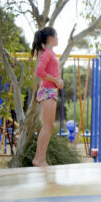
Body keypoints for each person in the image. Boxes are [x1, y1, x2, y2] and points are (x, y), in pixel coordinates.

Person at [31, 27, 64, 167]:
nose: (58, 38)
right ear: (50, 38)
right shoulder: (46, 53)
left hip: (51, 91)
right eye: (56, 36)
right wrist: (56, 81)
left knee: (49, 127)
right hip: (47, 91)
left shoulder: (50, 53)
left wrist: (58, 80)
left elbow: (50, 72)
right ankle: (39, 159)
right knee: (47, 126)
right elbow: (39, 71)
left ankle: (39, 159)